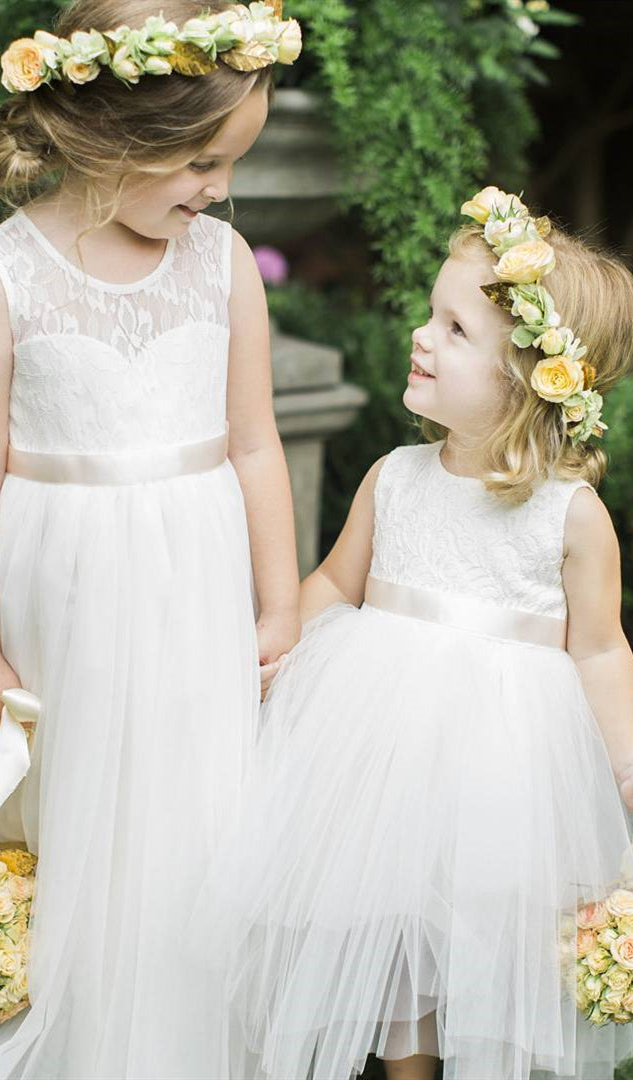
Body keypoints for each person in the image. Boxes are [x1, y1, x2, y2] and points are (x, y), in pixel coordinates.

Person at [0, 2, 301, 1078]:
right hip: (58, 614)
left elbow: (257, 446)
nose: (217, 188)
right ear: (105, 141)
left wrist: (278, 605)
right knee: (60, 829)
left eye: (230, 163)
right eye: (198, 161)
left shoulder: (219, 266)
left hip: (192, 602)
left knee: (185, 832)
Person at [209, 187, 633, 1080]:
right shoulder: (395, 476)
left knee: (478, 930)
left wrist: (621, 771)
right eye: (430, 316)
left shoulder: (571, 517)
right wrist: (269, 645)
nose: (422, 336)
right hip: (375, 746)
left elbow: (598, 648)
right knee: (387, 921)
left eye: (454, 330)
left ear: (528, 378)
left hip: (500, 769)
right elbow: (333, 580)